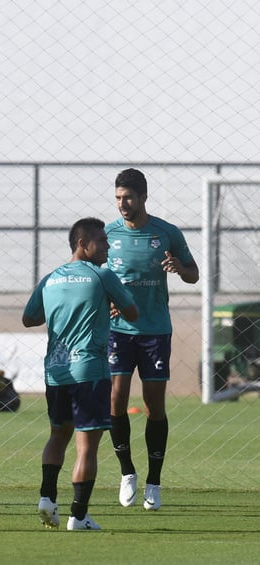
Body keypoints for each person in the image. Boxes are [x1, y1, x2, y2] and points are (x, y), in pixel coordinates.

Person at [23, 217, 138, 531]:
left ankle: (47, 497)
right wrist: (109, 304)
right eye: (101, 241)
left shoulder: (50, 279)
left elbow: (29, 318)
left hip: (56, 372)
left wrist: (62, 310)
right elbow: (132, 313)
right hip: (89, 370)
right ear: (82, 244)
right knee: (86, 445)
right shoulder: (102, 276)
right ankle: (78, 515)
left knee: (58, 435)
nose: (107, 246)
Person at [106, 168, 199, 511]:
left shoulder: (166, 233)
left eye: (128, 197)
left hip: (155, 330)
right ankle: (127, 472)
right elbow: (96, 276)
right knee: (115, 399)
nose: (122, 204)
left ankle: (154, 481)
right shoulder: (109, 234)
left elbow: (193, 274)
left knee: (153, 406)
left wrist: (178, 266)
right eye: (117, 198)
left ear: (143, 197)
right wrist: (107, 301)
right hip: (118, 332)